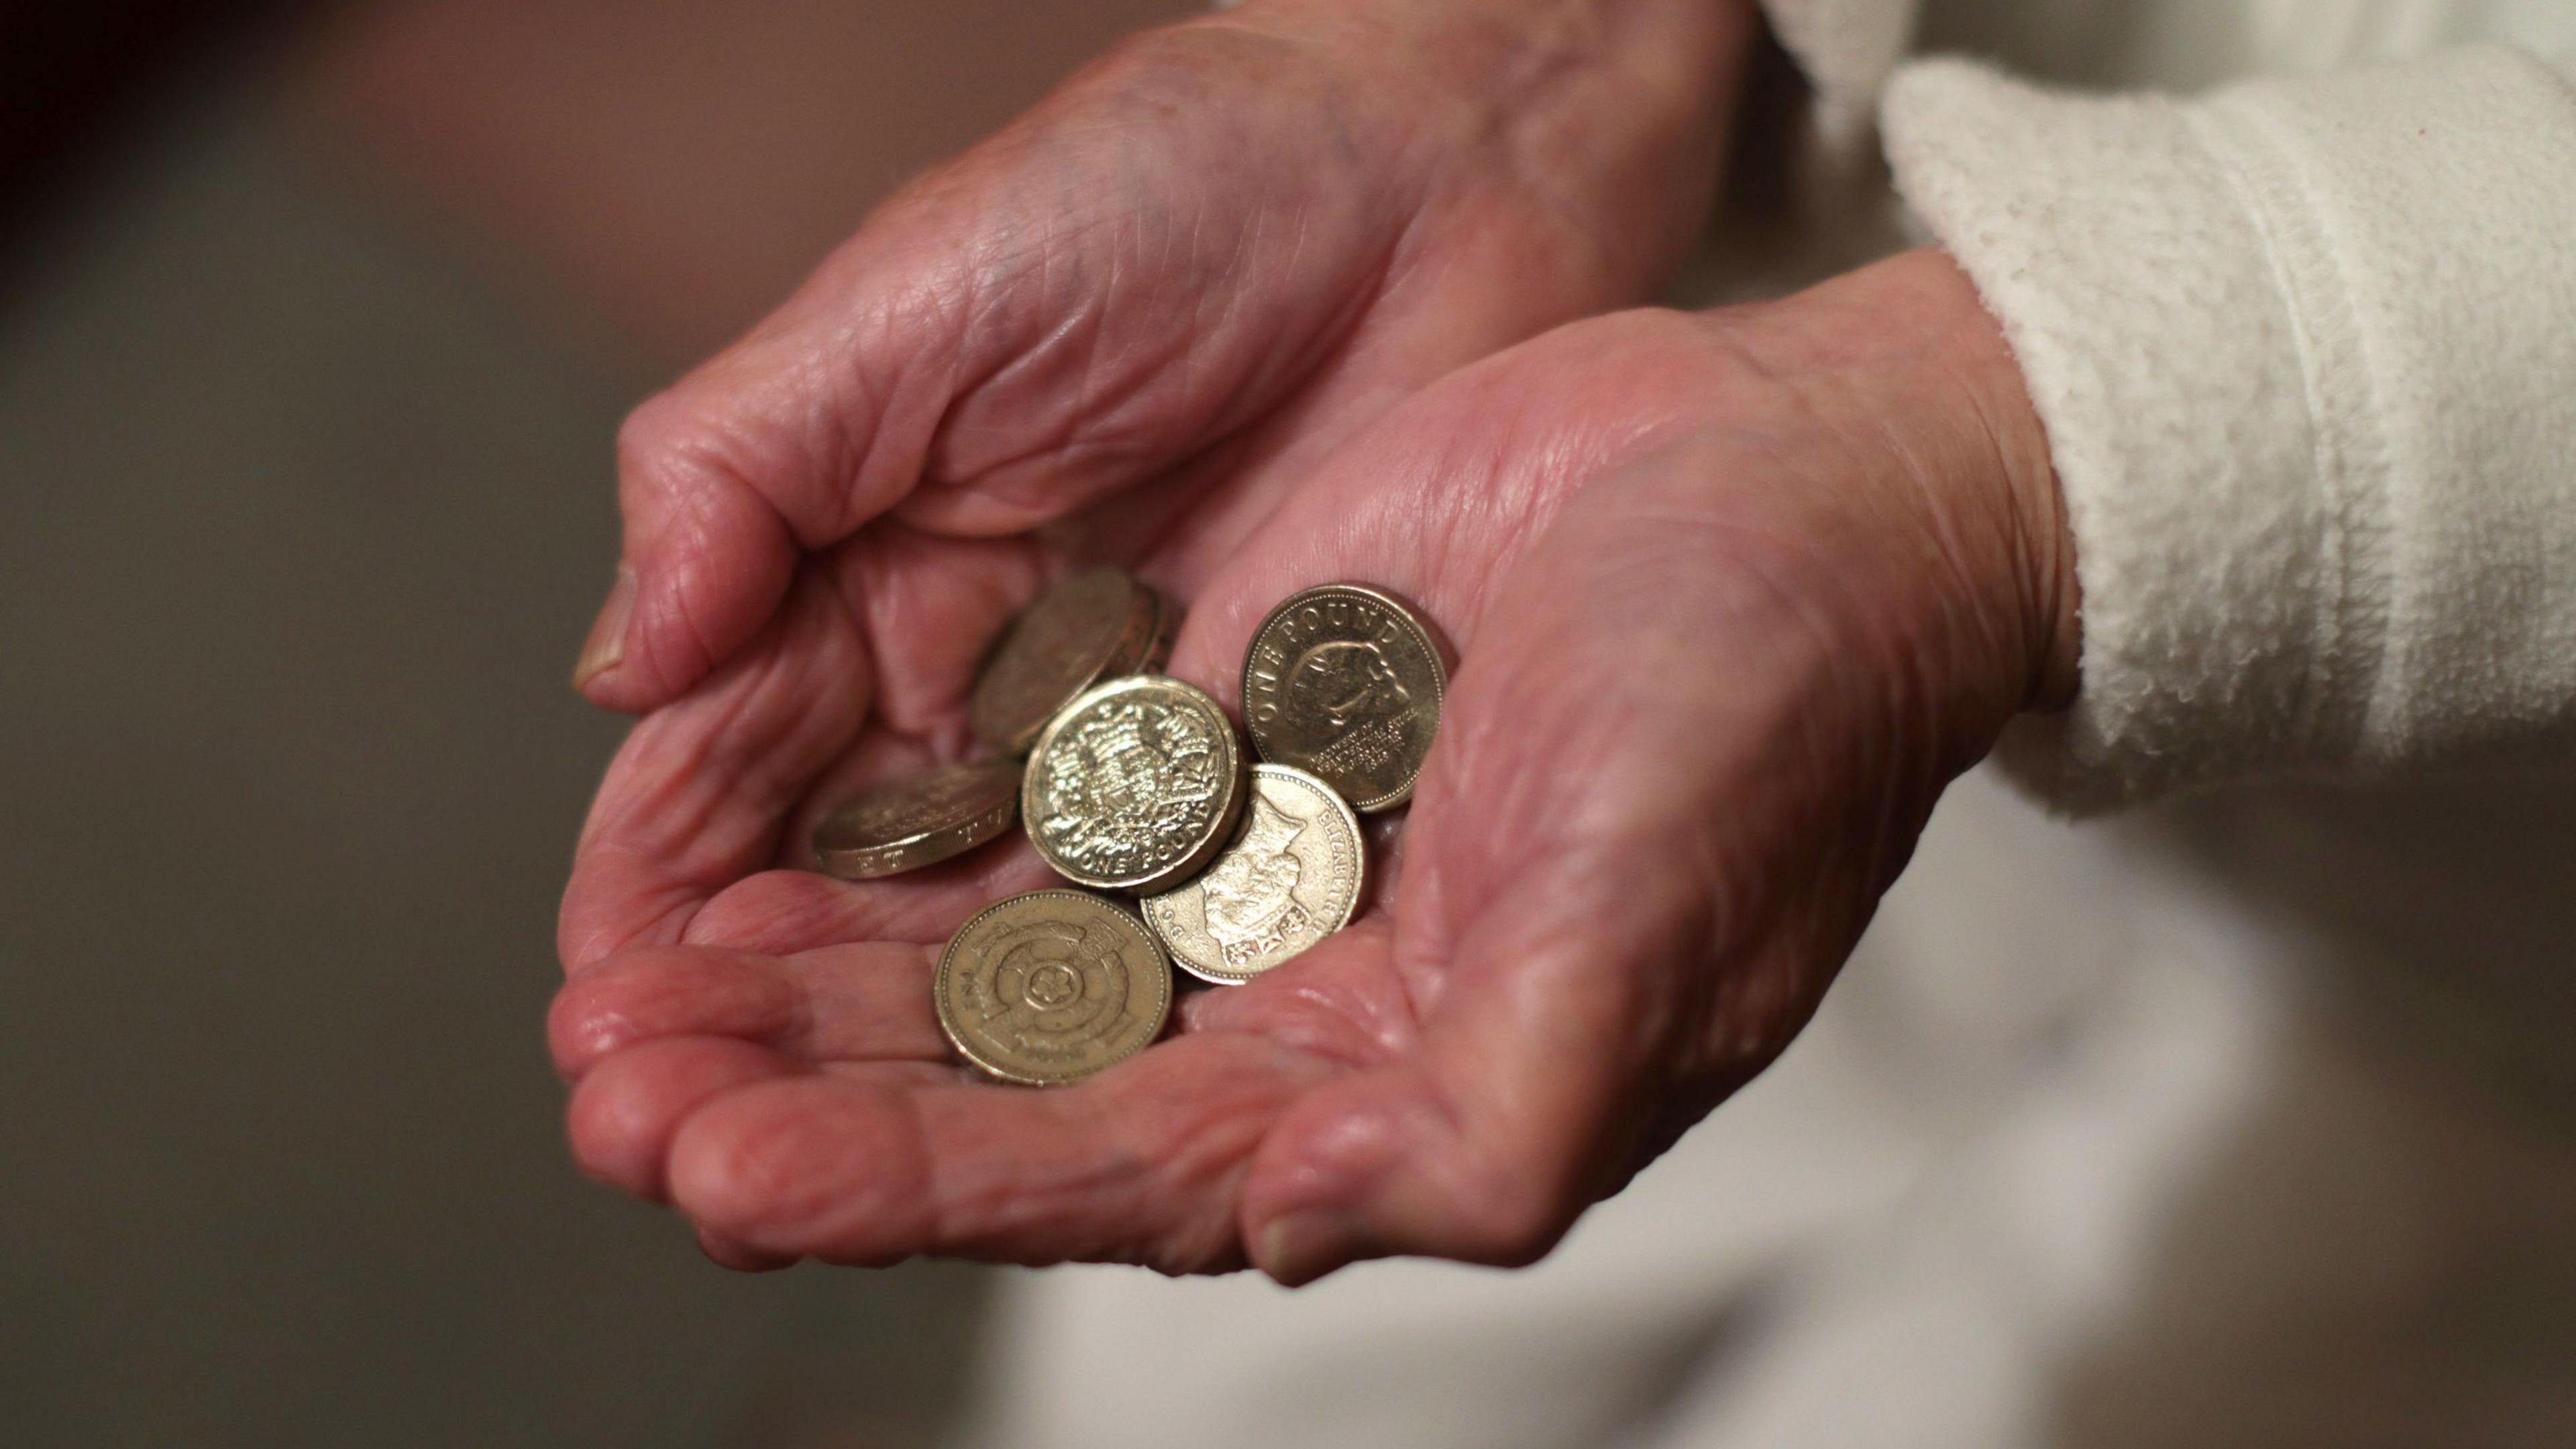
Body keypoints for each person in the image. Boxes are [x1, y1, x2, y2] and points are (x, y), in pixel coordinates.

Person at [547, 0, 2576, 1440]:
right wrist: (1546, 39)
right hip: (1755, 409)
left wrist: (1990, 465)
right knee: (1218, 1404)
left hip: (2506, 963)